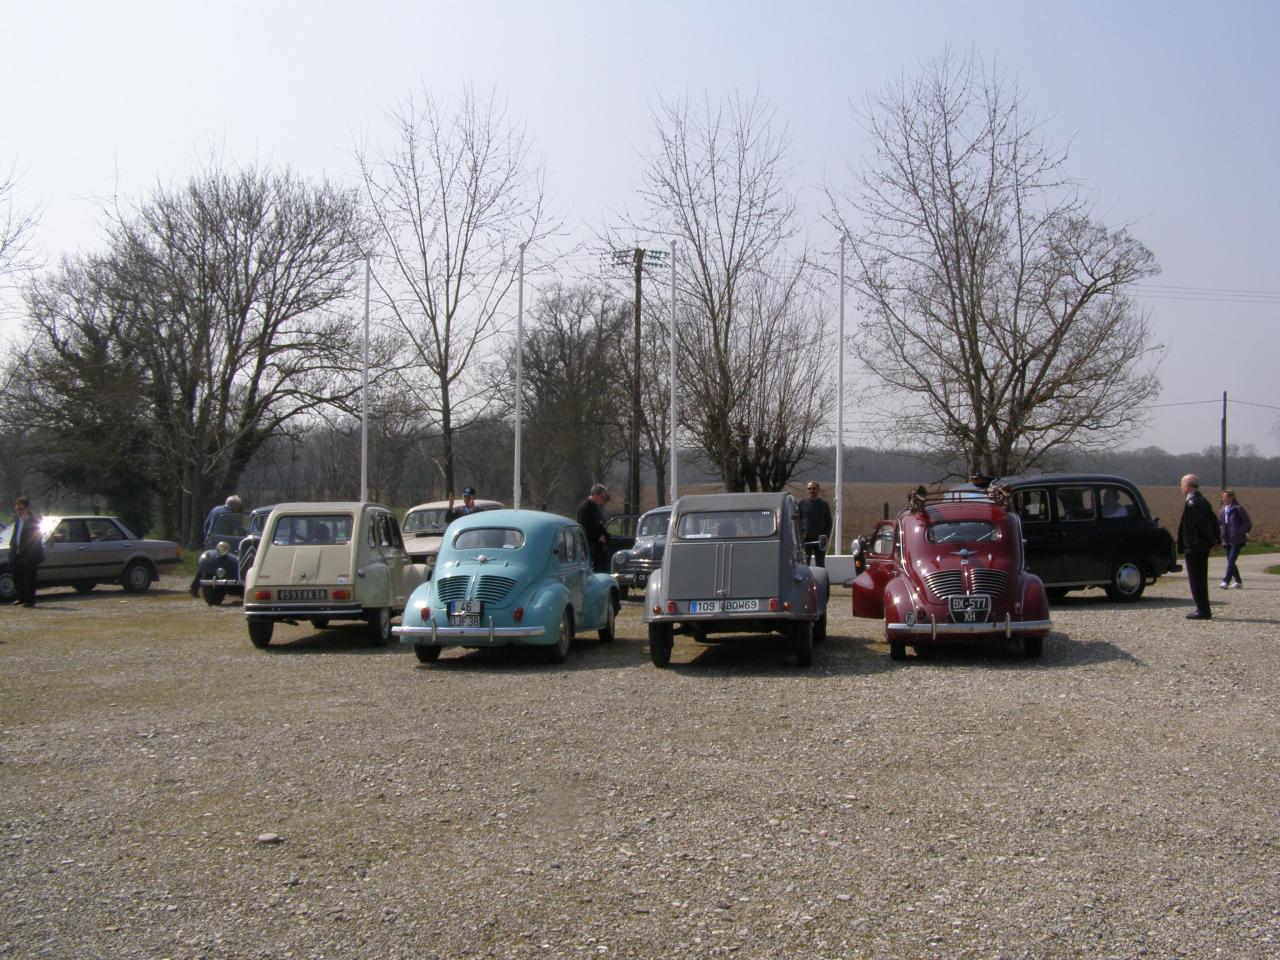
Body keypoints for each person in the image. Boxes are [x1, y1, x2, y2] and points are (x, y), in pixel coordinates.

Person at [1177, 474, 1220, 620]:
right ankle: (1202, 608)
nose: (1181, 487)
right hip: (1200, 546)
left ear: (1188, 486)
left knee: (1196, 579)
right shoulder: (1202, 500)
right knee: (1200, 578)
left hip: (1195, 546)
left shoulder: (1192, 503)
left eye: (1182, 485)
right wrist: (1216, 538)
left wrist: (1212, 539)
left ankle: (1202, 610)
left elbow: (1203, 524)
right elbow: (1213, 520)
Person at [191, 494, 242, 597]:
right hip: (223, 542)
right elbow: (239, 529)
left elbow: (206, 524)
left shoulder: (215, 509)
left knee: (206, 564)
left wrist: (207, 537)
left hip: (211, 539)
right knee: (228, 561)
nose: (237, 509)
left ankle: (194, 587)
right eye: (237, 507)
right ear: (233, 505)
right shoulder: (230, 514)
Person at [8, 496, 45, 607]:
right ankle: (21, 598)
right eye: (17, 505)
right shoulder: (17, 520)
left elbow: (36, 537)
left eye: (21, 506)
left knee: (29, 578)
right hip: (18, 554)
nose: (18, 508)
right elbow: (15, 536)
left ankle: (30, 601)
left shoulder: (33, 520)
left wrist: (30, 554)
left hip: (30, 555)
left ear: (27, 507)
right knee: (17, 577)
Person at [1218, 488, 1252, 589]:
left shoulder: (1238, 508)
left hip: (1237, 540)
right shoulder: (1222, 510)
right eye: (1222, 497)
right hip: (1226, 539)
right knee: (1230, 561)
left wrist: (1238, 532)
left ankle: (1226, 581)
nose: (1224, 499)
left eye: (1226, 497)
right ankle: (1238, 581)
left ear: (1232, 497)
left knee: (1231, 560)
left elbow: (1247, 523)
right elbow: (1220, 523)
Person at [797, 481, 833, 567]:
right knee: (805, 564)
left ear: (818, 489)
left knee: (820, 564)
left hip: (820, 540)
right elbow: (796, 521)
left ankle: (821, 580)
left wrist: (826, 535)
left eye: (814, 488)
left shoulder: (824, 504)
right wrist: (799, 535)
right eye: (809, 488)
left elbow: (829, 521)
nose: (811, 490)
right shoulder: (801, 504)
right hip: (805, 540)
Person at [576, 483, 610, 572]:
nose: (603, 500)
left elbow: (600, 524)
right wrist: (598, 536)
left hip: (597, 546)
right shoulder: (585, 508)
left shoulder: (596, 507)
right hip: (589, 545)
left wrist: (605, 535)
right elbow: (584, 527)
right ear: (595, 495)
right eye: (602, 497)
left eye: (604, 498)